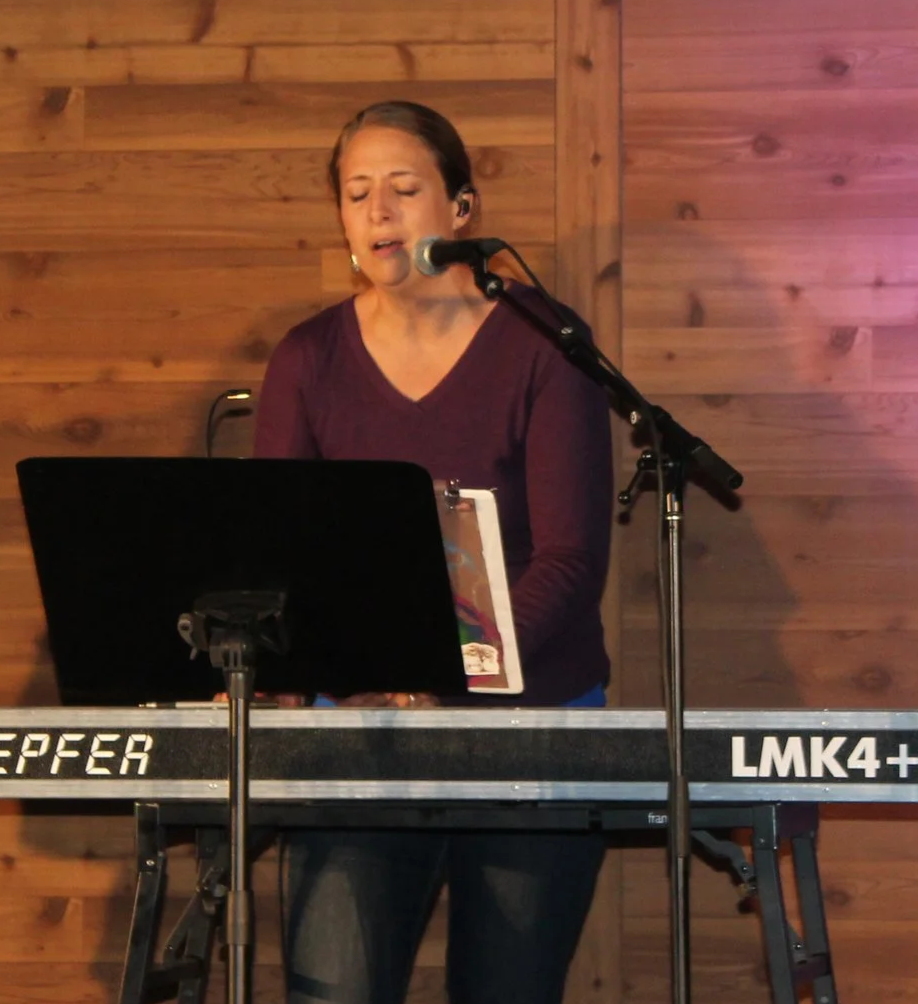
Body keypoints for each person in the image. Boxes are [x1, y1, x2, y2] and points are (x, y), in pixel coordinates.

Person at [251, 100, 615, 1004]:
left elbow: (569, 564)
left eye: (403, 189)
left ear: (461, 211)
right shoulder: (307, 359)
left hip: (532, 723)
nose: (378, 211)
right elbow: (276, 558)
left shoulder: (544, 342)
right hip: (362, 727)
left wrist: (432, 673)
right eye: (356, 193)